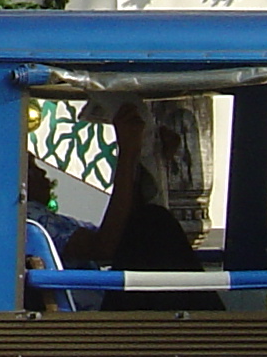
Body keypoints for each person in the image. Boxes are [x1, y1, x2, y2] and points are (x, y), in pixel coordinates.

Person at [62, 97, 219, 311]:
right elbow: (106, 246)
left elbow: (126, 231)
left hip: (114, 299)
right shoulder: (33, 220)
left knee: (152, 222)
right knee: (155, 222)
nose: (43, 174)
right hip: (101, 315)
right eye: (32, 169)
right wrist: (128, 152)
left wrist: (155, 161)